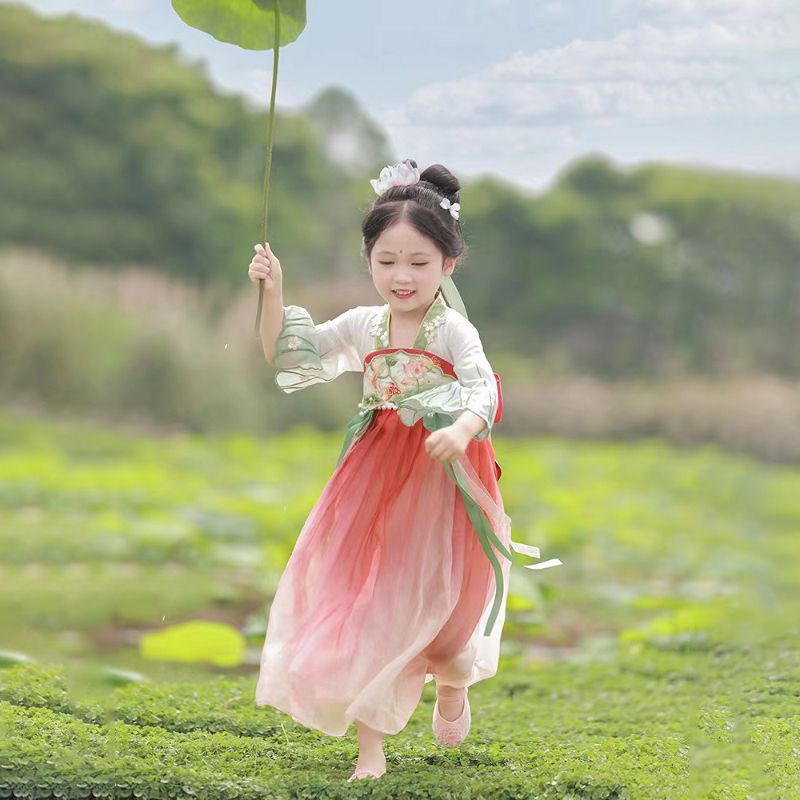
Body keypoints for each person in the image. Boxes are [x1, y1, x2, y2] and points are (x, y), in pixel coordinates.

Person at [249, 159, 561, 782]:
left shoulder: (454, 331)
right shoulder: (366, 326)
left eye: (419, 263)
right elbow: (288, 355)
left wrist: (460, 430)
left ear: (447, 266)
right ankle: (371, 753)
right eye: (387, 260)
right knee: (372, 604)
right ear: (368, 259)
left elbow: (484, 392)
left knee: (448, 612)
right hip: (374, 480)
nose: (401, 276)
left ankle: (452, 681)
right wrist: (273, 291)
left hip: (444, 480)